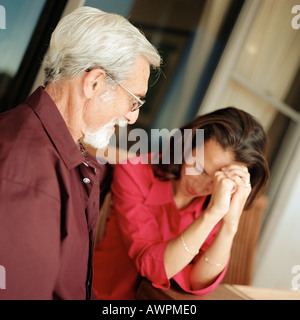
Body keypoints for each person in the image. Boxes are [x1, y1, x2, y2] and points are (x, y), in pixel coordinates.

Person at [0, 7, 161, 300]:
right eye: (134, 100)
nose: (132, 118)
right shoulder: (28, 170)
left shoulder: (66, 151)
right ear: (95, 83)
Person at [92, 107, 269, 299]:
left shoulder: (219, 198)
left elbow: (198, 281)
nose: (200, 184)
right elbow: (152, 267)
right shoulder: (134, 172)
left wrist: (229, 224)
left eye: (215, 181)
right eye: (199, 167)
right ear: (188, 144)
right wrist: (212, 214)